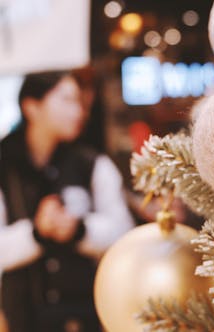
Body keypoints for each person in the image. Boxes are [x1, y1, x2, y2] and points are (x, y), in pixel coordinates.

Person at [0, 71, 134, 331]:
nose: (79, 111)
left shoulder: (92, 163)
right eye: (67, 100)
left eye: (79, 102)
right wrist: (37, 233)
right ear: (32, 107)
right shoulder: (5, 166)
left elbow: (123, 234)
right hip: (23, 316)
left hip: (86, 313)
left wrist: (79, 229)